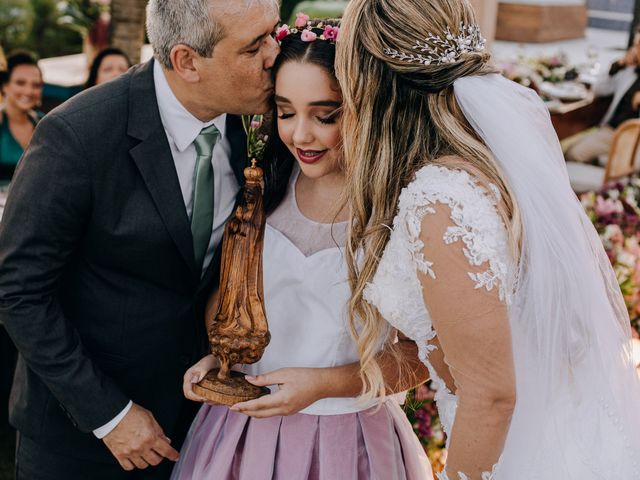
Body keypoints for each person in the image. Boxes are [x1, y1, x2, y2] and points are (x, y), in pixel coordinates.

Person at [336, 0, 640, 478]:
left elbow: (491, 396)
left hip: (515, 455)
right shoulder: (488, 166)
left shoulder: (440, 199)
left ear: (373, 82)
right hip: (548, 432)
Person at [0, 0, 281, 479]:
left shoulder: (268, 122)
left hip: (204, 429)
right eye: (254, 46)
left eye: (272, 34)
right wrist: (110, 416)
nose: (275, 54)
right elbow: (16, 289)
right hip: (86, 442)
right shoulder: (77, 135)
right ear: (187, 61)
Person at [171, 18, 432, 480]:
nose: (300, 135)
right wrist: (222, 361)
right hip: (240, 433)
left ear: (363, 107)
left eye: (325, 115)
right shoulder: (265, 185)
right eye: (286, 111)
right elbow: (234, 293)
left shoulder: (398, 209)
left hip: (347, 441)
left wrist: (323, 384)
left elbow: (425, 355)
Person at [565, 28, 640, 164]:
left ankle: (604, 163)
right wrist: (618, 66)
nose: (634, 50)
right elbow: (599, 89)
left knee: (573, 154)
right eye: (634, 45)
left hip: (632, 141)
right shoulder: (629, 71)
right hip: (611, 132)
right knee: (569, 152)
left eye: (638, 45)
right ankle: (601, 161)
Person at [0, 51, 43, 181]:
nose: (29, 91)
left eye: (36, 85)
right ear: (4, 85)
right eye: (20, 83)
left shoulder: (47, 123)